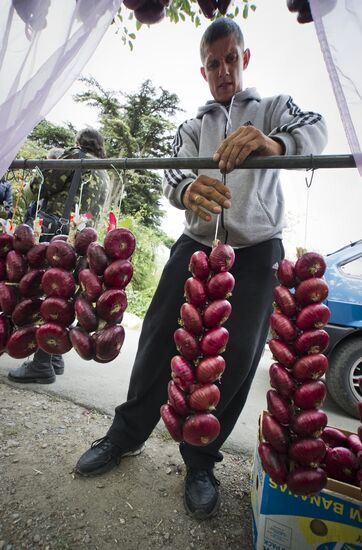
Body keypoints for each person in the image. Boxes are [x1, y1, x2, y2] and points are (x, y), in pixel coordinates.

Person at [75, 19, 327, 520]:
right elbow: (173, 167)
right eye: (214, 63)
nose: (224, 70)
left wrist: (273, 145)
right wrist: (187, 189)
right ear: (203, 70)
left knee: (233, 362)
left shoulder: (273, 109)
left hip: (257, 250)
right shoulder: (193, 126)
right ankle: (125, 435)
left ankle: (201, 460)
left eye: (231, 58)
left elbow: (315, 128)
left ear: (245, 59)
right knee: (157, 342)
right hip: (195, 242)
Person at [8, 127, 110, 385]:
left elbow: (36, 187)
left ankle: (42, 364)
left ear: (79, 142)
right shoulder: (104, 172)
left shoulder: (75, 157)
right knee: (65, 296)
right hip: (84, 240)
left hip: (57, 237)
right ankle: (54, 356)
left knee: (48, 295)